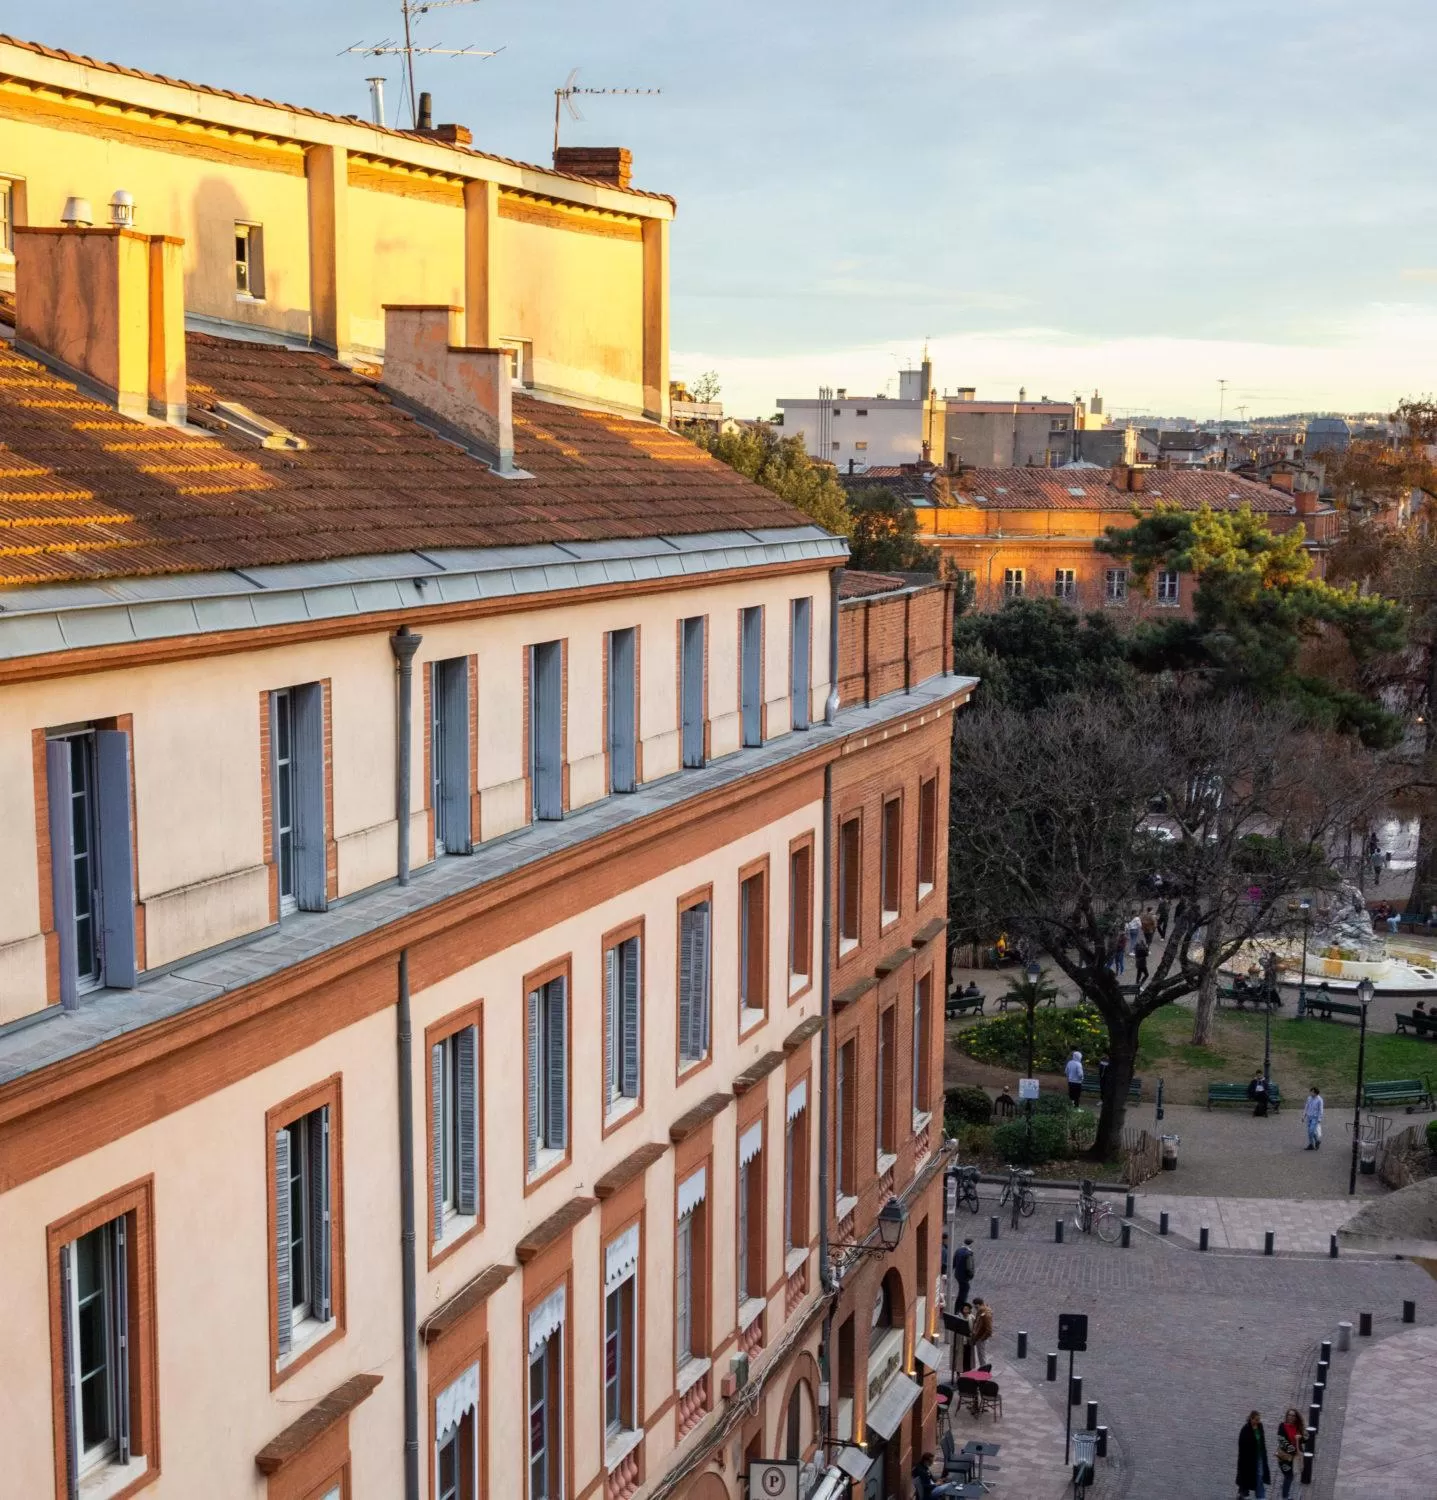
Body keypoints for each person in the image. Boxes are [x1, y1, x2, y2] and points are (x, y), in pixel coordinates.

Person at [1237, 1410, 1272, 1499]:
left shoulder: (1260, 1426)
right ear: (1251, 1419)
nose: (1258, 1421)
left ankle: (1260, 1496)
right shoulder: (1245, 1430)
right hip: (1249, 1459)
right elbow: (1242, 1446)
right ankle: (1246, 1495)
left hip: (1259, 1456)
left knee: (1260, 1475)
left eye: (1259, 1419)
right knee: (1248, 1478)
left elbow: (1262, 1440)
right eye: (1256, 1419)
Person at [1276, 1409, 1305, 1499]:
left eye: (1293, 1416)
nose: (1291, 1417)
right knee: (1288, 1476)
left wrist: (1301, 1437)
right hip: (1284, 1457)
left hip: (1295, 1457)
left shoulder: (1297, 1427)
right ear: (1287, 1416)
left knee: (1291, 1476)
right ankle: (1285, 1496)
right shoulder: (1282, 1426)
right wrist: (1294, 1450)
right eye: (1289, 1415)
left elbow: (1305, 1439)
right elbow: (1282, 1441)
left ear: (1296, 1418)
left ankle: (1286, 1494)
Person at [970, 1297, 993, 1367]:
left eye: (976, 1307)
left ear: (979, 1305)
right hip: (979, 1337)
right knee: (980, 1355)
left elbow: (989, 1330)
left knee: (981, 1356)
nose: (975, 1308)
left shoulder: (985, 1313)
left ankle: (984, 1372)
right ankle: (983, 1370)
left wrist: (982, 1338)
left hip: (981, 1338)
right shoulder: (981, 1311)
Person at [953, 1236, 975, 1307]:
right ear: (971, 1244)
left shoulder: (958, 1250)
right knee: (964, 1292)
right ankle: (960, 1308)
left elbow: (954, 1262)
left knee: (961, 1291)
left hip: (957, 1274)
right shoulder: (968, 1254)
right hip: (964, 1277)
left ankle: (958, 1306)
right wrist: (971, 1275)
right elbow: (969, 1267)